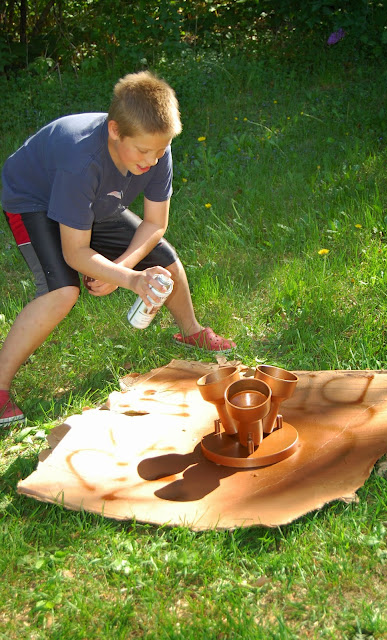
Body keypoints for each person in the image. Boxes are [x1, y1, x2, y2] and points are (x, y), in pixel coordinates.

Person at [0, 70, 236, 426]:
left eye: (160, 150)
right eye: (143, 151)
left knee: (165, 259)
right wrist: (130, 279)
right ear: (114, 130)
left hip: (94, 199)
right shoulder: (81, 162)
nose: (152, 160)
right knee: (61, 291)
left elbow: (155, 224)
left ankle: (190, 331)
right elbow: (75, 253)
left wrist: (121, 267)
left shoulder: (153, 147)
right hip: (34, 199)